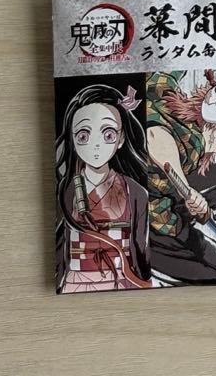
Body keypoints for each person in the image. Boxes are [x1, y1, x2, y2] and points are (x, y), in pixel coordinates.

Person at [146, 70, 216, 285]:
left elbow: (164, 73)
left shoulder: (164, 87)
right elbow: (154, 136)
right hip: (155, 225)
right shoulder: (194, 143)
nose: (214, 148)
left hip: (168, 204)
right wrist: (187, 190)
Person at [55, 83, 151, 292]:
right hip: (75, 282)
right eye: (83, 136)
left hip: (123, 281)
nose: (96, 145)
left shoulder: (135, 192)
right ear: (72, 139)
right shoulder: (65, 190)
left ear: (121, 139)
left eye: (108, 135)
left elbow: (141, 248)